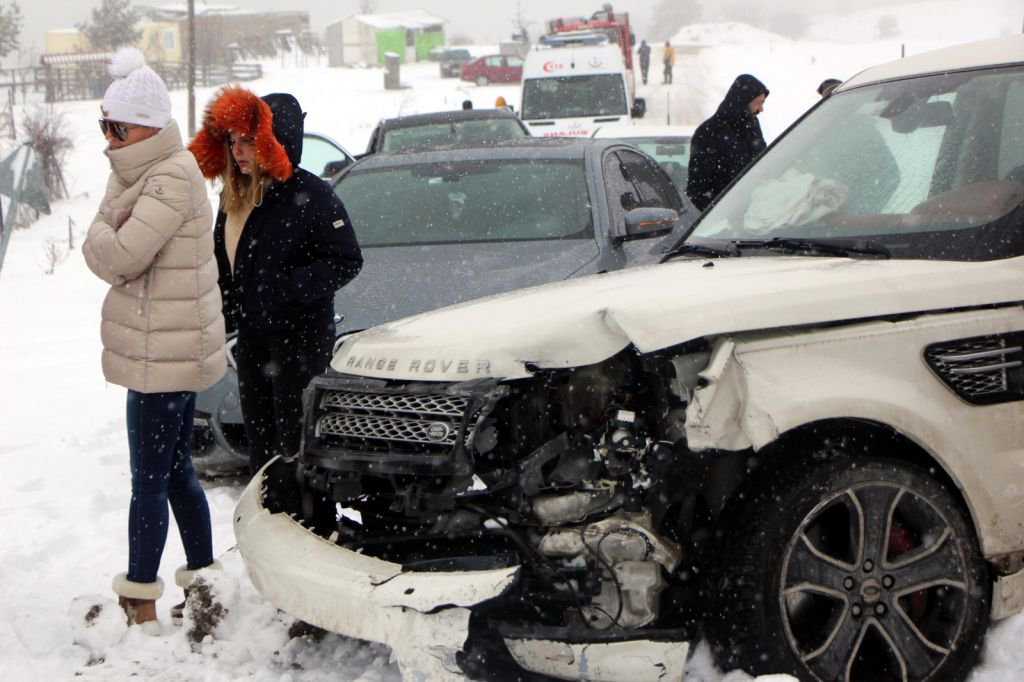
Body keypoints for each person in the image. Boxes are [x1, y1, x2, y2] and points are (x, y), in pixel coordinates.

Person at [82, 47, 226, 626]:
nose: (109, 139)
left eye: (117, 128)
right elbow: (104, 240)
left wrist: (104, 230)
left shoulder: (165, 177)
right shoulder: (140, 172)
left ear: (146, 125)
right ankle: (206, 582)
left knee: (150, 480)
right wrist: (106, 228)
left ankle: (139, 597)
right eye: (104, 126)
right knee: (175, 474)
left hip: (163, 354)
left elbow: (118, 254)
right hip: (162, 347)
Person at [189, 87, 363, 476]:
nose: (237, 151)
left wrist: (286, 290)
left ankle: (302, 512)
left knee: (297, 449)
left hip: (300, 342)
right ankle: (267, 508)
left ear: (275, 140)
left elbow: (346, 259)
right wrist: (222, 309)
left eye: (248, 141)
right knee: (263, 449)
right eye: (232, 141)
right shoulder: (235, 195)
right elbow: (225, 266)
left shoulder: (311, 194)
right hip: (252, 341)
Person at [686, 73, 770, 211]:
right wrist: (721, 214)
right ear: (744, 100)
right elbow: (697, 190)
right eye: (759, 102)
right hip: (726, 215)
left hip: (758, 211)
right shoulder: (709, 132)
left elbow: (763, 164)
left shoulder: (752, 126)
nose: (761, 109)